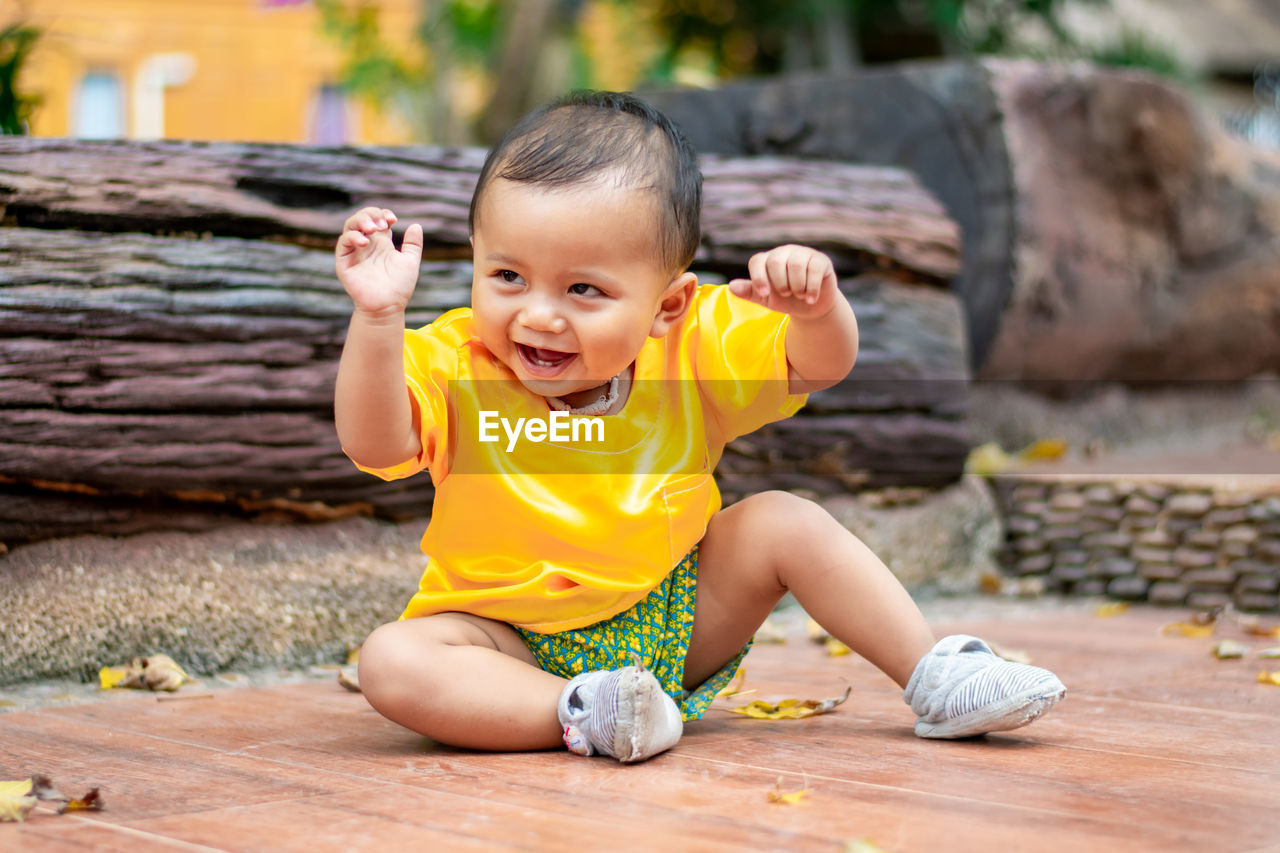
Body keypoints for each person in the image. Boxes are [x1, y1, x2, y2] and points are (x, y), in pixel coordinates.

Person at [334, 90, 1065, 763]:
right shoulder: (453, 360)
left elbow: (815, 366)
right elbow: (375, 443)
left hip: (677, 612)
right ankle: (584, 710)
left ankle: (936, 674)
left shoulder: (691, 346)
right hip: (504, 639)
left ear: (667, 305)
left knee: (784, 521)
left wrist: (816, 314)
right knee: (392, 660)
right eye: (507, 277)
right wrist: (377, 319)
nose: (539, 314)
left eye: (583, 289)